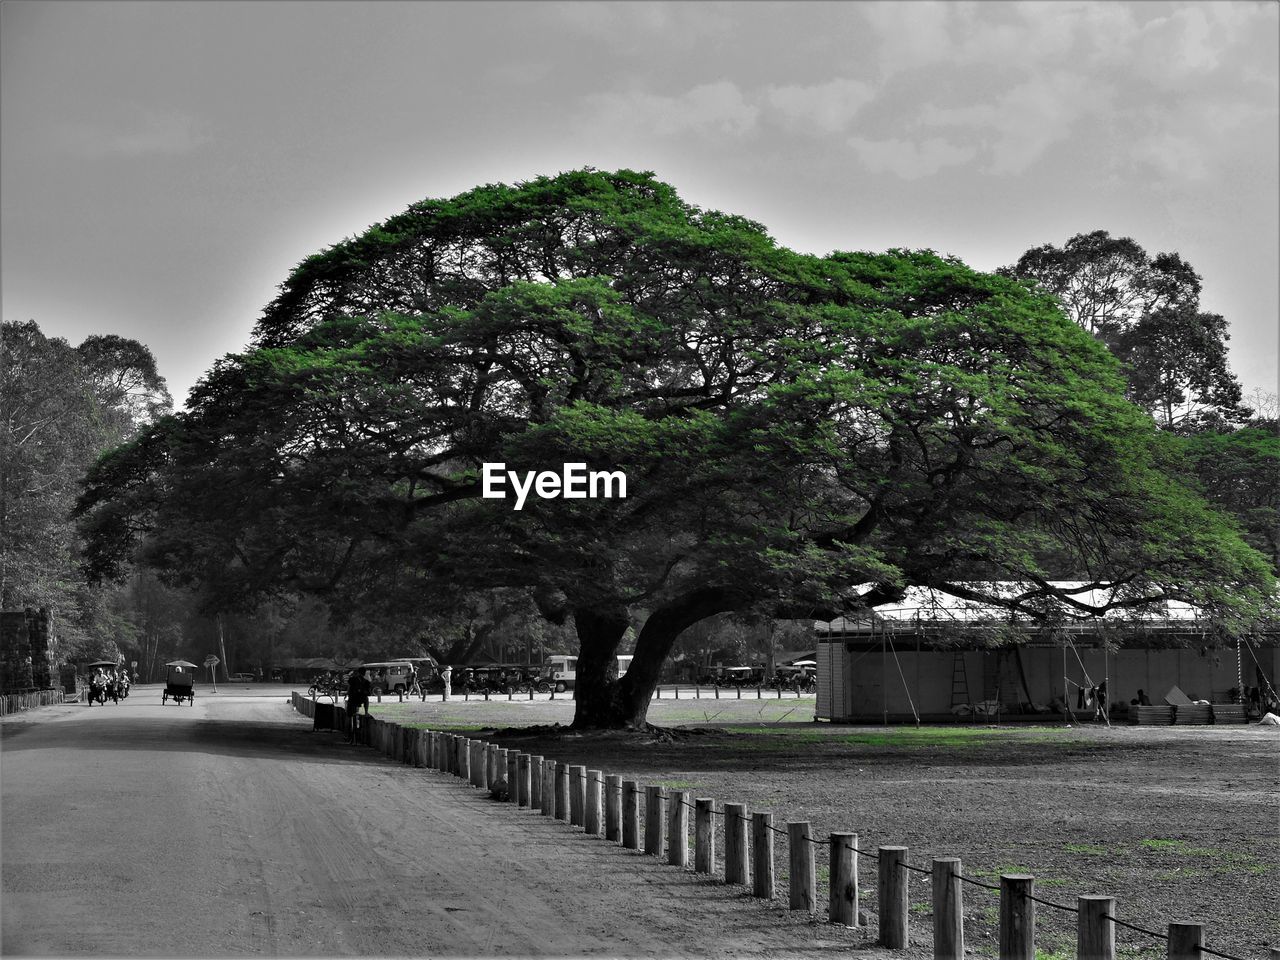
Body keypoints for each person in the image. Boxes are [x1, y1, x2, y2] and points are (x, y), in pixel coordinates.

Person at [345, 666, 371, 743]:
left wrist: (347, 694)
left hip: (352, 700)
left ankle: (346, 734)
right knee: (366, 699)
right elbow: (368, 693)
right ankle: (366, 712)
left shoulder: (352, 679)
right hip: (361, 701)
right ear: (364, 673)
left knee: (348, 716)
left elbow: (349, 689)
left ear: (358, 672)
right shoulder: (366, 682)